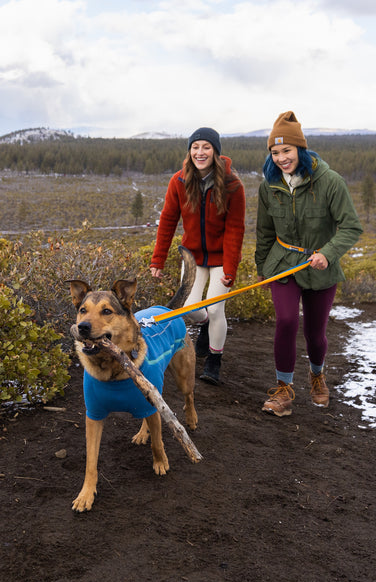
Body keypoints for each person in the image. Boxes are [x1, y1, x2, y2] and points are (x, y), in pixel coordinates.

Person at [255, 111, 363, 417]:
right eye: (274, 153)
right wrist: (263, 268)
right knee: (286, 321)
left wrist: (327, 253)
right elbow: (264, 232)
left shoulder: (330, 182)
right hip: (282, 264)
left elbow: (351, 227)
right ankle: (283, 389)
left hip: (320, 266)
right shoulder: (269, 186)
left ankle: (317, 376)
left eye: (286, 151)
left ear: (300, 149)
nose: (281, 159)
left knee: (316, 333)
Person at [150, 127, 246, 384]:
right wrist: (157, 260)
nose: (200, 152)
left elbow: (236, 229)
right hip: (192, 257)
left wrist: (230, 269)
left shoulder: (232, 185)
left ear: (215, 152)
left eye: (206, 147)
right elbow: (168, 221)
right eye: (195, 147)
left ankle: (214, 360)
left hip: (221, 258)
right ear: (189, 151)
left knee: (215, 309)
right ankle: (203, 325)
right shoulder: (179, 181)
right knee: (190, 309)